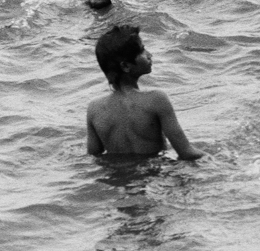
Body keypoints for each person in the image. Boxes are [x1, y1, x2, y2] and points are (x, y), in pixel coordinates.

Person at [85, 24, 204, 160]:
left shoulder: (94, 109)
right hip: (151, 177)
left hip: (117, 179)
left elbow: (94, 156)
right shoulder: (156, 99)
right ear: (126, 66)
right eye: (142, 51)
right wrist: (219, 158)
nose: (149, 55)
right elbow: (186, 153)